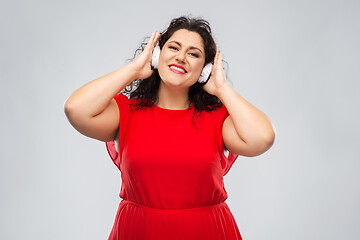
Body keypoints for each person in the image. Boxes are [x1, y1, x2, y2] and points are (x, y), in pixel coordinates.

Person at [64, 16, 275, 240]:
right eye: (174, 47)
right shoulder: (125, 112)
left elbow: (263, 138)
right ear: (156, 55)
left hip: (207, 231)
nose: (181, 57)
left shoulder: (218, 119)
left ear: (205, 69)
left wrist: (222, 88)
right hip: (138, 230)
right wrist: (134, 69)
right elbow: (75, 109)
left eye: (193, 54)